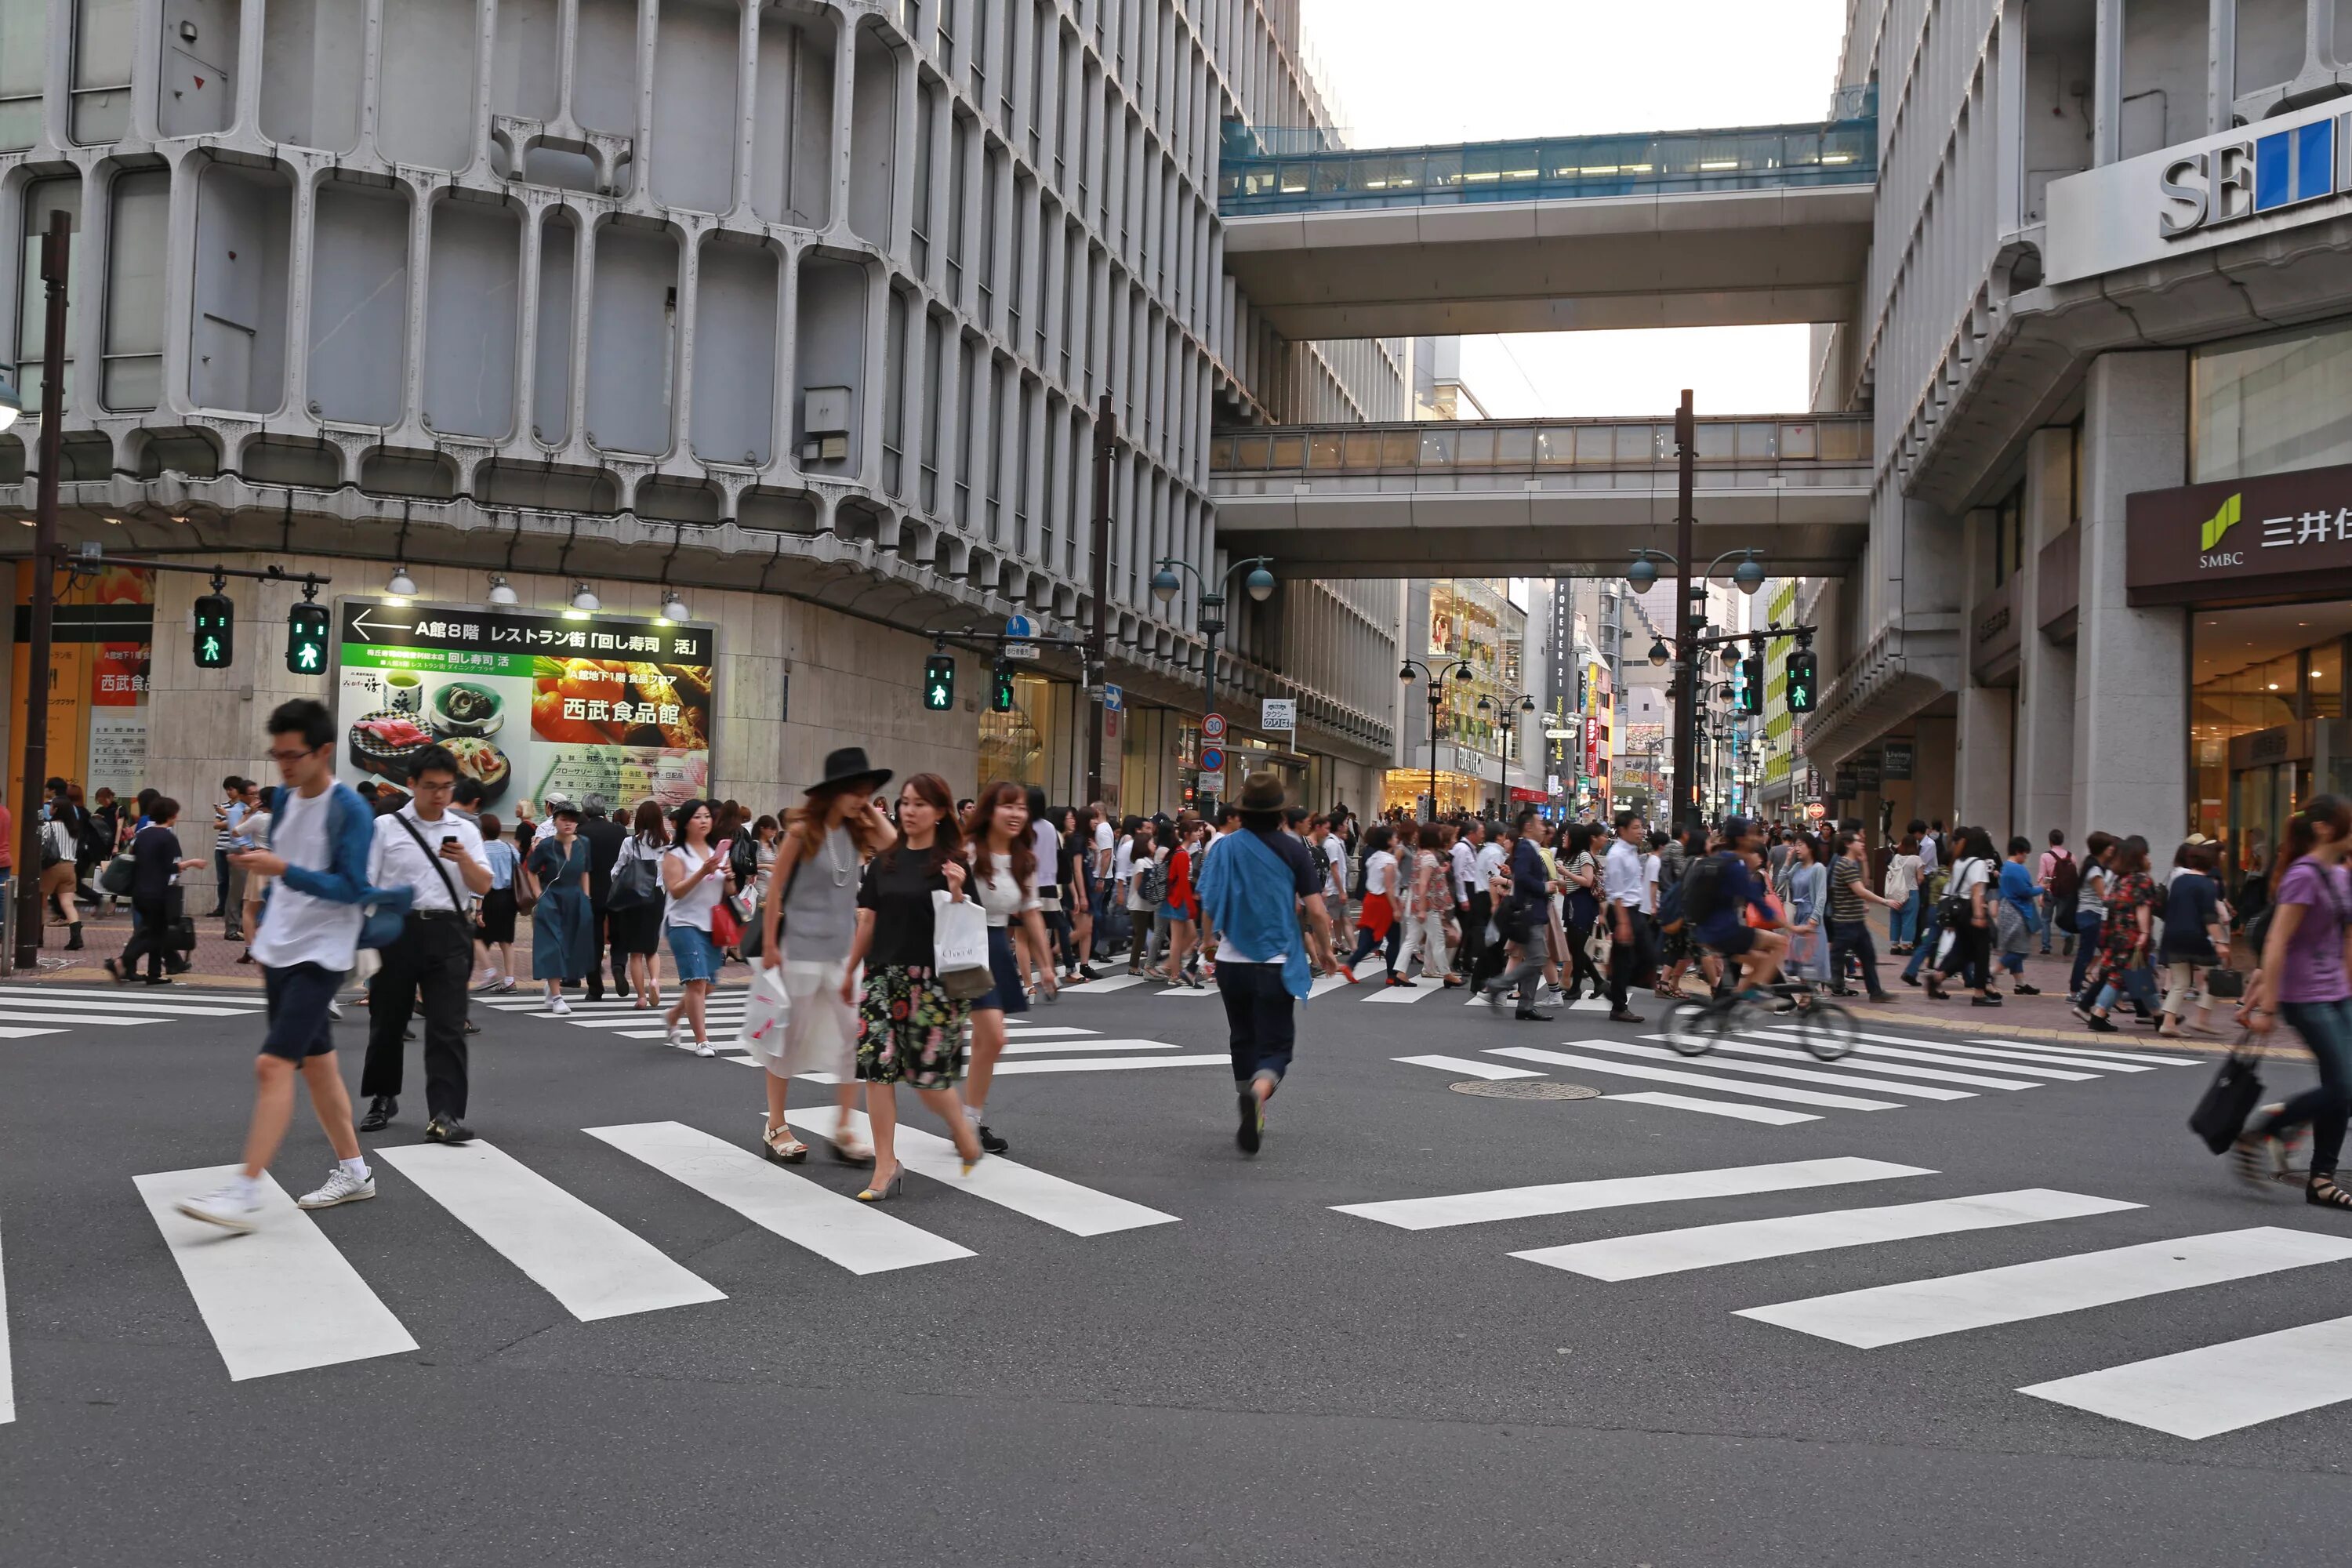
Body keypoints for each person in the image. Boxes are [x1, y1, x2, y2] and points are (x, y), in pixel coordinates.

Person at [175, 700, 387, 1232]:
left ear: (323, 751)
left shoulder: (350, 810)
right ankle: (356, 1171)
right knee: (318, 1066)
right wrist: (256, 865)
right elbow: (288, 871)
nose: (285, 765)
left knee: (273, 1065)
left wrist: (282, 868)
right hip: (281, 948)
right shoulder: (289, 803)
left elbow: (354, 889)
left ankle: (244, 1193)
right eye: (278, 755)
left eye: (293, 755)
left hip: (323, 953)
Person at [842, 771, 986, 1200]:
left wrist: (958, 891)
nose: (909, 811)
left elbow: (967, 927)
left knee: (928, 1080)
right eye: (905, 802)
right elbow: (867, 920)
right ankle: (886, 1165)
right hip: (883, 979)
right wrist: (849, 971)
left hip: (934, 985)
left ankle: (961, 1129)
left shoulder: (951, 863)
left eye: (919, 804)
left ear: (941, 811)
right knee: (878, 1070)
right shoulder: (885, 860)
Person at [752, 746, 893, 1167]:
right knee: (786, 1037)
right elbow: (775, 888)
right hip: (799, 949)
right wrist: (773, 944)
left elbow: (895, 847)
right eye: (854, 790)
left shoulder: (858, 832)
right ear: (832, 792)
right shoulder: (802, 832)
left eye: (866, 791)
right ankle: (776, 1125)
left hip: (843, 952)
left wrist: (871, 810)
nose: (860, 798)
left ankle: (845, 1127)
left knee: (854, 1038)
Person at [355, 745, 492, 1141]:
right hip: (397, 929)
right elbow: (367, 882)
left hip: (450, 931)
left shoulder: (466, 829)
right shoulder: (386, 827)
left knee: (448, 1025)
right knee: (388, 1021)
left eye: (447, 787)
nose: (439, 795)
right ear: (411, 783)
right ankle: (383, 1096)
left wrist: (464, 859)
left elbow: (484, 885)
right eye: (431, 786)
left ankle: (445, 1114)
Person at [1196, 771, 1330, 1154]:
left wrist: (1208, 941)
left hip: (1230, 959)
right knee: (1276, 1046)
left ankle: (1248, 1106)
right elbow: (1317, 911)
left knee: (1242, 1037)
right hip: (1275, 958)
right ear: (1280, 812)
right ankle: (1258, 1093)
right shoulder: (1293, 850)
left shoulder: (1222, 848)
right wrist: (1325, 951)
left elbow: (1209, 898)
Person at [2233, 795, 2352, 1210]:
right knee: (2343, 1085)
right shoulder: (2303, 875)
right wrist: (2266, 1007)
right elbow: (2278, 940)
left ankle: (2321, 1179)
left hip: (2338, 994)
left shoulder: (2340, 875)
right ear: (2323, 829)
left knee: (2344, 1089)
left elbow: (2347, 938)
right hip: (2305, 996)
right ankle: (2268, 1128)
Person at [963, 780, 1056, 1155]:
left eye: (1022, 808)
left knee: (990, 1040)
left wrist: (1046, 967)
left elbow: (1031, 913)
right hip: (962, 946)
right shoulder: (968, 851)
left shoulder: (1023, 859)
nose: (1017, 814)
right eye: (1008, 806)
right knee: (993, 1037)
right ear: (991, 810)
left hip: (996, 946)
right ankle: (965, 1120)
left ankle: (971, 1120)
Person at [651, 798, 734, 1053]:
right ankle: (702, 1040)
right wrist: (703, 871)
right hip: (684, 924)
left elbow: (729, 890)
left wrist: (729, 876)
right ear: (686, 823)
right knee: (696, 981)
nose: (704, 821)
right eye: (698, 817)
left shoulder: (719, 852)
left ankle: (674, 1015)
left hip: (712, 924)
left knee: (709, 984)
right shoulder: (674, 854)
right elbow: (675, 892)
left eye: (707, 816)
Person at [1690, 818, 1791, 996]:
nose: (1754, 839)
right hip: (1726, 931)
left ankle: (1733, 1002)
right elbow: (1756, 899)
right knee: (1780, 942)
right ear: (1741, 838)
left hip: (1706, 931)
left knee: (1760, 960)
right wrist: (1790, 926)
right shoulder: (1735, 866)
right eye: (1750, 834)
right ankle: (1750, 998)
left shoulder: (1719, 859)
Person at [105, 799, 201, 982]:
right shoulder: (168, 838)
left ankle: (154, 973)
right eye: (175, 814)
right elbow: (169, 868)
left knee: (148, 931)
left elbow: (134, 858)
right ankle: (121, 962)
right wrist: (191, 863)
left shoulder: (142, 834)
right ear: (171, 816)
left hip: (139, 891)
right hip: (157, 893)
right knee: (156, 934)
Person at [522, 798, 595, 1015]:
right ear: (555, 821)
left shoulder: (584, 843)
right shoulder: (546, 845)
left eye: (572, 820)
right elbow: (531, 871)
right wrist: (539, 896)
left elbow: (585, 871)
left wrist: (586, 898)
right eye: (563, 819)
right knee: (552, 945)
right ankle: (557, 997)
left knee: (570, 947)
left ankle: (551, 985)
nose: (568, 824)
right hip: (551, 897)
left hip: (576, 898)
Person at [2158, 840, 2230, 1037]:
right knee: (2214, 978)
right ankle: (2201, 1019)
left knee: (2180, 982)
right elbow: (2209, 917)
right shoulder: (2207, 884)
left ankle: (2168, 1022)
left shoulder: (2180, 880)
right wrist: (2220, 942)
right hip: (2195, 937)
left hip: (2172, 935)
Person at [1925, 827, 2001, 1005]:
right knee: (1982, 952)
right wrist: (1979, 916)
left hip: (1958, 911)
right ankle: (1980, 993)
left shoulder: (1959, 862)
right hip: (1971, 910)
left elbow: (1953, 888)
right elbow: (1977, 891)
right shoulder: (1978, 864)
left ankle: (1937, 978)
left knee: (1963, 951)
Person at [609, 800, 670, 1009]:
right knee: (652, 949)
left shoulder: (630, 843)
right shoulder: (666, 844)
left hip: (634, 899)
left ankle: (642, 997)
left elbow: (616, 871)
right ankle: (654, 980)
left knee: (635, 952)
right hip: (656, 897)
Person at [1824, 829, 1894, 1001]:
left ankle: (1874, 992)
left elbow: (1862, 885)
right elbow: (1860, 890)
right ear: (1848, 844)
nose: (1862, 843)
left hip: (1855, 921)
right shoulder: (1845, 865)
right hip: (1846, 921)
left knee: (1867, 955)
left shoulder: (1850, 863)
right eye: (1858, 840)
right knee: (1838, 955)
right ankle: (1827, 979)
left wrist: (1864, 862)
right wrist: (1885, 901)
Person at [1599, 810, 1651, 1023]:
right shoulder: (1617, 855)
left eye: (1641, 827)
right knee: (1629, 959)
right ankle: (1618, 1003)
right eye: (1636, 828)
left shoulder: (1631, 851)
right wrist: (1622, 922)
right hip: (1623, 910)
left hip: (1634, 909)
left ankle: (1614, 991)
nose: (1641, 832)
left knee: (1640, 958)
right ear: (1622, 830)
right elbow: (1617, 892)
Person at [577, 794, 629, 1002]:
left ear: (585, 810)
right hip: (616, 891)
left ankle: (595, 988)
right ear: (604, 809)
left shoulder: (580, 833)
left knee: (593, 940)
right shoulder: (619, 831)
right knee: (619, 934)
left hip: (591, 893)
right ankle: (618, 965)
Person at [1341, 822, 1401, 983]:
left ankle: (1351, 964)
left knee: (1372, 938)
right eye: (1394, 837)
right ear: (1388, 841)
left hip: (1371, 899)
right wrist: (1396, 908)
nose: (1397, 839)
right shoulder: (1389, 861)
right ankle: (1392, 975)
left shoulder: (1374, 857)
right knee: (1394, 939)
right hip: (1384, 902)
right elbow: (1389, 886)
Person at [473, 811, 520, 990]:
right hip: (509, 898)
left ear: (481, 831)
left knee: (476, 938)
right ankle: (510, 980)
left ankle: (489, 972)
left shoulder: (480, 850)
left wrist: (478, 909)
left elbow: (479, 882)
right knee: (506, 940)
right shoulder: (510, 848)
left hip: (489, 897)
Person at [1994, 837, 2045, 994]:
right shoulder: (2018, 869)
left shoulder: (2006, 867)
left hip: (2006, 909)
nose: (2026, 857)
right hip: (2017, 912)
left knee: (2013, 948)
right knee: (2020, 951)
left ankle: (2020, 983)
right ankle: (1991, 972)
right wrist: (2042, 888)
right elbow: (2026, 891)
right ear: (2018, 852)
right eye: (2025, 854)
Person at [1121, 817, 1160, 975]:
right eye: (1152, 843)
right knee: (1140, 935)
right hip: (1139, 905)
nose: (1155, 845)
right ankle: (1133, 966)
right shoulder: (1141, 863)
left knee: (1156, 932)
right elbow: (1137, 886)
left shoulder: (1151, 862)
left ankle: (1152, 961)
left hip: (1148, 904)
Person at [209, 775, 245, 917]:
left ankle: (236, 909)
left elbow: (242, 824)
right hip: (221, 846)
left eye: (232, 789)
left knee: (237, 881)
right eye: (227, 790)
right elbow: (216, 825)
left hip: (237, 846)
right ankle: (221, 907)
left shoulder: (244, 807)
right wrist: (231, 820)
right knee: (223, 879)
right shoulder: (223, 806)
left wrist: (228, 817)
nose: (229, 792)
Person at [2039, 829, 2077, 957]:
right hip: (2066, 892)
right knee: (2062, 918)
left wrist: (2041, 894)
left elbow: (2045, 877)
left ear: (2050, 841)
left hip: (2051, 891)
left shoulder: (2046, 856)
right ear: (2062, 841)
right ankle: (2067, 935)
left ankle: (2046, 947)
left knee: (2045, 920)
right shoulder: (2071, 856)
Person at [1883, 834, 1922, 953]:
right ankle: (1906, 946)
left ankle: (1894, 946)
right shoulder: (1916, 859)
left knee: (1895, 919)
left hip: (1896, 893)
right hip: (1911, 892)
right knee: (1909, 920)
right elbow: (1920, 878)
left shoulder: (1896, 858)